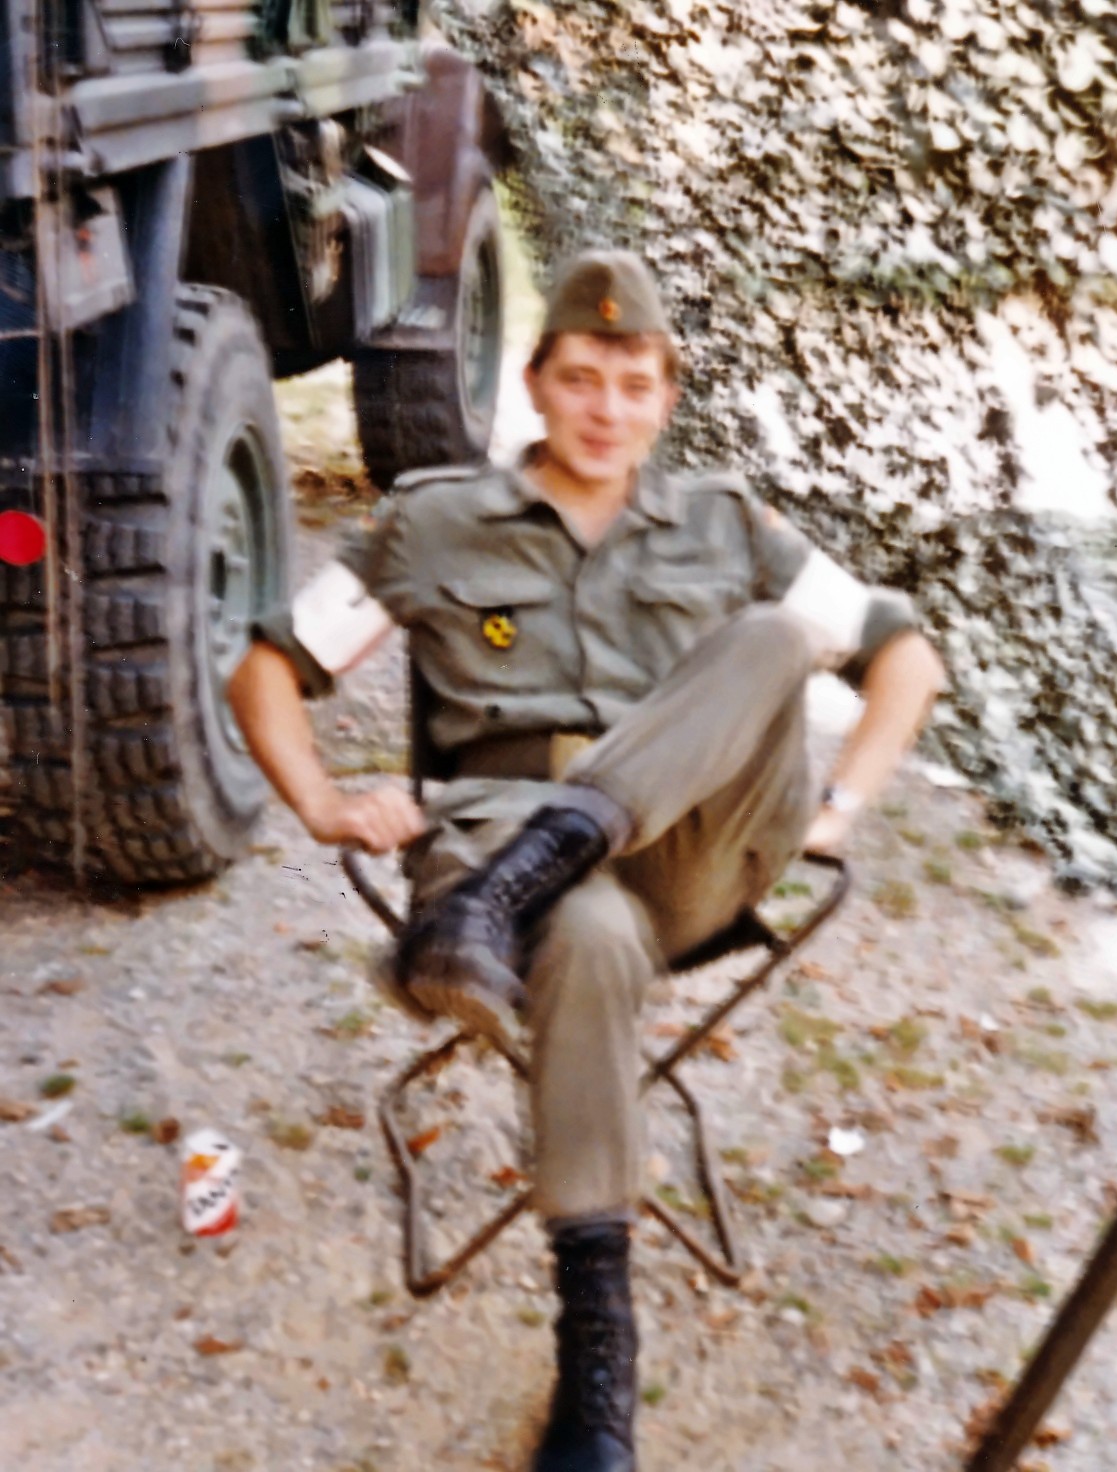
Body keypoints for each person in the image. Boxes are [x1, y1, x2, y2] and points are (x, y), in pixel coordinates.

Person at [228, 249, 945, 1472]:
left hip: (687, 858)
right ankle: (596, 1339)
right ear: (534, 383)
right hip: (501, 841)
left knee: (771, 634)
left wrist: (839, 802)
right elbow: (266, 663)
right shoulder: (434, 520)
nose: (604, 409)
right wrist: (321, 804)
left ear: (666, 394)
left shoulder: (727, 522)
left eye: (631, 383)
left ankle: (519, 882)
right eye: (578, 379)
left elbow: (905, 656)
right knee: (592, 930)